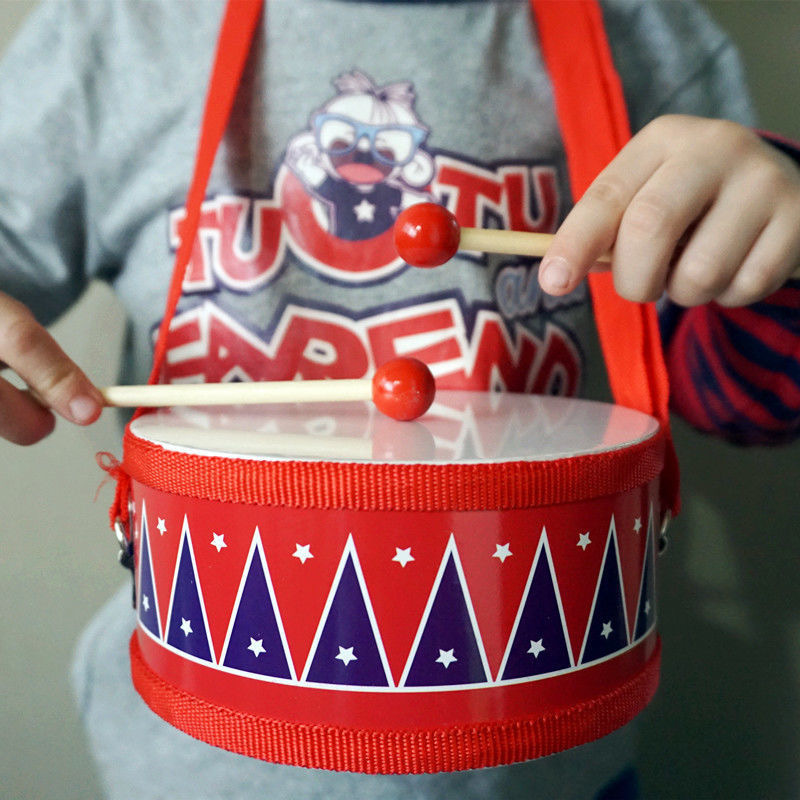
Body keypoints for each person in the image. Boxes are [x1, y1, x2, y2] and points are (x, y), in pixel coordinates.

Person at [1, 1, 798, 798]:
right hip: (193, 764)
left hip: (548, 769)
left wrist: (782, 247)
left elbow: (746, 398)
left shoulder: (650, 39)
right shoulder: (109, 34)